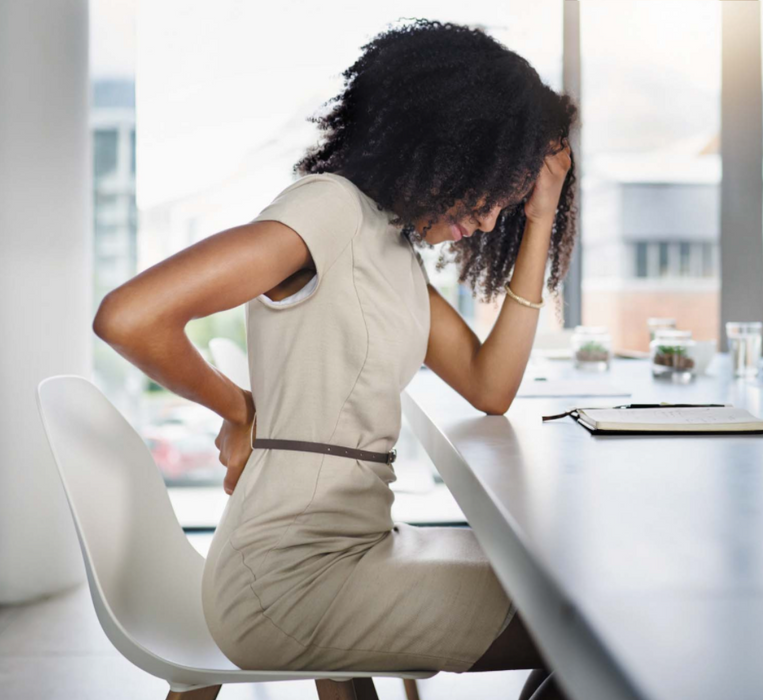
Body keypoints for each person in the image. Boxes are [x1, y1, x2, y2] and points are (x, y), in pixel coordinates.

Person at [93, 18, 576, 700]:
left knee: (573, 592)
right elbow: (129, 316)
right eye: (495, 186)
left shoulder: (390, 249)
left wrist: (539, 218)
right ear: (445, 144)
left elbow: (489, 385)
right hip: (291, 581)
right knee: (587, 623)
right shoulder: (329, 211)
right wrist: (240, 409)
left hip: (351, 552)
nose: (492, 217)